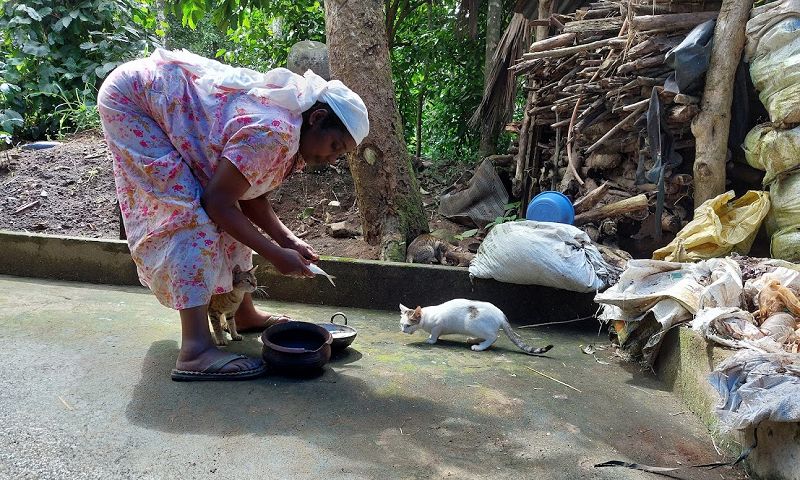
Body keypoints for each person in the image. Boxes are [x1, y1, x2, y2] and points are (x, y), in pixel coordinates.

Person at [97, 49, 368, 381]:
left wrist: (288, 240)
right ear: (317, 118)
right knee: (189, 216)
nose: (332, 159)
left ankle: (244, 314)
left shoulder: (295, 138)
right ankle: (195, 349)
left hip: (157, 96)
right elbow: (217, 202)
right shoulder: (275, 133)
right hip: (134, 100)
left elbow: (249, 194)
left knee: (226, 213)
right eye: (335, 146)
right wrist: (276, 255)